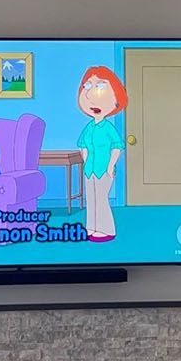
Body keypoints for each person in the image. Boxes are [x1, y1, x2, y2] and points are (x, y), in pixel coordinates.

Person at [75, 65, 127, 242]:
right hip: (89, 169)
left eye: (100, 86)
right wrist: (85, 160)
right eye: (88, 86)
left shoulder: (108, 128)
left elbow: (117, 146)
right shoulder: (89, 127)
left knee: (101, 198)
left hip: (104, 169)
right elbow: (82, 145)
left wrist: (110, 166)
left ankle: (106, 229)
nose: (91, 94)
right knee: (91, 198)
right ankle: (91, 227)